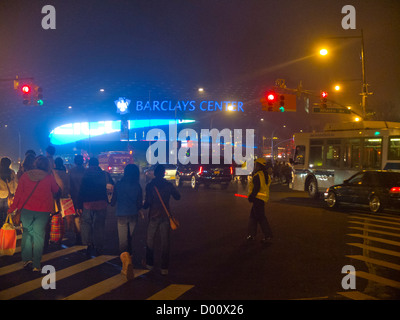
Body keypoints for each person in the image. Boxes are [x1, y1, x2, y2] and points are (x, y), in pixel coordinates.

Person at [8, 156, 60, 271]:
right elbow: (56, 190)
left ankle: (26, 260)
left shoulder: (25, 176)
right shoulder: (49, 177)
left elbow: (18, 194)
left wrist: (12, 209)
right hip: (43, 211)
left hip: (27, 210)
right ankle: (36, 264)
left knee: (27, 233)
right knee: (39, 236)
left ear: (34, 164)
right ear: (47, 165)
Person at [143, 164, 181, 275]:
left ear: (154, 173)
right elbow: (178, 197)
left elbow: (148, 203)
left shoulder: (150, 185)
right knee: (165, 242)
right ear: (164, 173)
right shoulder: (168, 185)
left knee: (150, 240)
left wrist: (143, 206)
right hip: (165, 215)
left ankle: (150, 264)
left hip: (153, 216)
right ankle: (164, 267)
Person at [111, 164, 143, 280]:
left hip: (121, 215)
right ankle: (129, 262)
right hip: (133, 214)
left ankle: (126, 266)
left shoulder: (118, 185)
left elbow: (113, 202)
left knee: (123, 242)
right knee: (129, 240)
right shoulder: (137, 186)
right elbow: (140, 204)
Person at [77, 157, 110, 256]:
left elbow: (81, 190)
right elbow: (111, 186)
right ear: (98, 164)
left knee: (86, 224)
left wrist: (79, 205)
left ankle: (88, 244)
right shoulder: (104, 174)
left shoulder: (85, 174)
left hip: (87, 204)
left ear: (89, 164)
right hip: (101, 203)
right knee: (99, 225)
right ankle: (98, 246)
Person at [246, 157, 273, 243]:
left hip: (257, 199)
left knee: (261, 218)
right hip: (262, 199)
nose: (255, 166)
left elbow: (256, 188)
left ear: (259, 165)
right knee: (253, 217)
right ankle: (252, 235)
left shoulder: (258, 175)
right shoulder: (266, 175)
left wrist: (251, 197)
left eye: (256, 164)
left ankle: (268, 236)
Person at [69, 155, 85, 244]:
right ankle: (85, 235)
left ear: (74, 162)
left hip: (75, 196)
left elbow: (70, 186)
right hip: (85, 197)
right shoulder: (86, 171)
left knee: (76, 216)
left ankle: (78, 234)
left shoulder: (71, 172)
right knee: (85, 216)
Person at [0, 157, 18, 225]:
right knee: (7, 212)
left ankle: (1, 227)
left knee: (1, 211)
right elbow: (15, 183)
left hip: (1, 194)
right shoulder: (12, 172)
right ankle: (6, 226)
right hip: (9, 195)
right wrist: (14, 193)